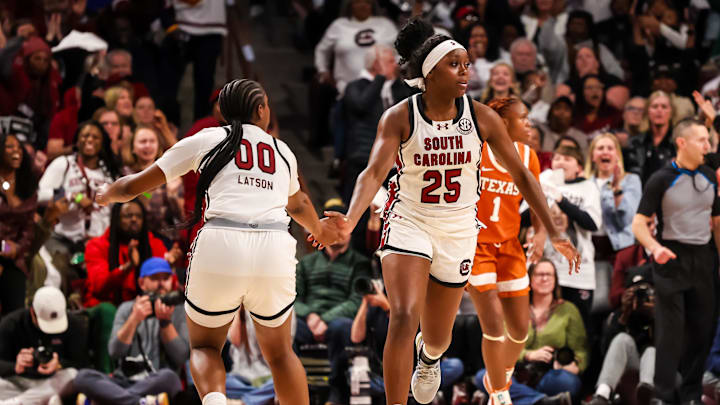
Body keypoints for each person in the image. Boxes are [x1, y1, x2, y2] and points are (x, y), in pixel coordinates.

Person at [321, 18, 580, 405]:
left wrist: (554, 231)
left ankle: (429, 357)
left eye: (467, 64)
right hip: (409, 219)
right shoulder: (399, 116)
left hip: (457, 228)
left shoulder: (481, 116)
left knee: (437, 336)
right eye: (455, 64)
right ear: (430, 72)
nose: (465, 71)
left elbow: (524, 176)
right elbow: (372, 172)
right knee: (404, 316)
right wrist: (350, 221)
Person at [95, 79, 340, 405]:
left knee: (206, 347)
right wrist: (323, 233)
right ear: (261, 109)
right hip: (273, 247)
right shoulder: (283, 151)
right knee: (281, 355)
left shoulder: (207, 139)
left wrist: (104, 194)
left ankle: (214, 398)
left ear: (223, 112)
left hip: (221, 243)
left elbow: (131, 188)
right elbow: (299, 206)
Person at [631, 119, 720, 405]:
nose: (708, 146)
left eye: (708, 140)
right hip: (670, 258)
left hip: (704, 259)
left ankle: (691, 395)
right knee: (671, 331)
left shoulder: (710, 177)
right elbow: (638, 223)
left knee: (703, 330)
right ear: (682, 143)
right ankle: (663, 396)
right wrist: (654, 247)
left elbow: (717, 224)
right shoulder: (661, 178)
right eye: (702, 141)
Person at [468, 97, 543, 404]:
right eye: (522, 118)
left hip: (511, 247)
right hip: (477, 245)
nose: (529, 123)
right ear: (503, 122)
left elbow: (536, 197)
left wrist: (539, 233)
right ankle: (499, 394)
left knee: (520, 332)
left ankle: (498, 376)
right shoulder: (476, 150)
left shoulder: (529, 156)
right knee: (494, 328)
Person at [74, 258, 188, 405]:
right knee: (82, 376)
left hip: (156, 381)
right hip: (123, 381)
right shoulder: (127, 309)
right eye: (154, 278)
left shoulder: (179, 311)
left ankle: (109, 400)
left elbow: (181, 357)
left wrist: (165, 323)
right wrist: (134, 319)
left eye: (165, 278)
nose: (161, 284)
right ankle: (139, 402)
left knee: (170, 378)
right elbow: (114, 352)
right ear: (141, 283)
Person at [294, 199, 371, 404]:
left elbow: (356, 301)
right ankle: (295, 390)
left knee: (343, 327)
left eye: (341, 228)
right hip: (308, 319)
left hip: (338, 321)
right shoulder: (307, 263)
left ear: (350, 231)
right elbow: (293, 297)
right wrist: (311, 316)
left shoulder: (360, 264)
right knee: (288, 325)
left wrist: (325, 319)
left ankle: (336, 392)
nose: (337, 233)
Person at [0, 286, 89, 405]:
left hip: (52, 382)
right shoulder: (11, 324)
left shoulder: (75, 325)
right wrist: (16, 366)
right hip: (18, 382)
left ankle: (19, 402)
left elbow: (82, 363)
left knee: (73, 375)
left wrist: (59, 364)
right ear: (32, 312)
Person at [585, 133, 642, 257]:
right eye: (600, 148)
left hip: (620, 248)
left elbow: (629, 220)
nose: (605, 152)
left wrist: (617, 191)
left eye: (610, 148)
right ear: (592, 156)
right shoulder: (585, 184)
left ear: (617, 155)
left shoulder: (631, 180)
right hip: (590, 248)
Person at [0, 132, 38, 316]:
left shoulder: (27, 183)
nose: (16, 151)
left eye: (18, 147)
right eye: (9, 147)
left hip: (15, 257)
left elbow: (29, 229)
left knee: (15, 310)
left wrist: (17, 249)